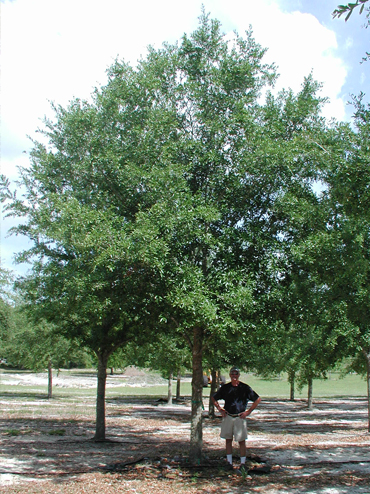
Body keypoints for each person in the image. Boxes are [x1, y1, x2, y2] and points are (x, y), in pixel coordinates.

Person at [211, 366, 261, 470]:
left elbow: (257, 399)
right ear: (230, 375)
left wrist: (248, 412)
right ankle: (229, 463)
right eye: (232, 374)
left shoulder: (245, 388)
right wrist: (220, 409)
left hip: (240, 418)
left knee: (241, 441)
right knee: (228, 440)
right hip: (228, 416)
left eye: (236, 374)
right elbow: (213, 397)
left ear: (238, 375)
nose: (234, 376)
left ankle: (243, 464)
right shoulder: (225, 388)